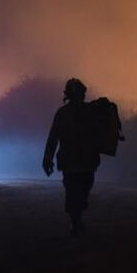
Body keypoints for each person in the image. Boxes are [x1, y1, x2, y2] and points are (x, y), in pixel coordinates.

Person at [44, 78, 100, 236]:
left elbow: (53, 138)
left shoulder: (63, 113)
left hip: (72, 161)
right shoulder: (90, 111)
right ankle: (76, 220)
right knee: (80, 191)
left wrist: (47, 158)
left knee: (74, 191)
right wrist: (47, 158)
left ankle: (75, 220)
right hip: (85, 161)